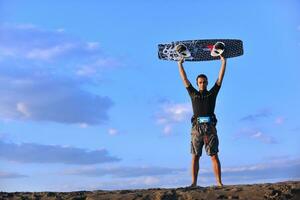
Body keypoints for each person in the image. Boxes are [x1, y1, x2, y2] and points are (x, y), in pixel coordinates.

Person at [177, 55, 226, 187]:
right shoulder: (193, 93)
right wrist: (180, 64)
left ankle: (219, 183)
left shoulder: (212, 94)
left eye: (204, 82)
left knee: (214, 155)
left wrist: (223, 61)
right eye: (200, 82)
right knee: (195, 156)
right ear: (197, 83)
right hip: (197, 128)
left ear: (207, 82)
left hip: (210, 127)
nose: (202, 83)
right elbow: (184, 79)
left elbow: (220, 79)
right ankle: (193, 183)